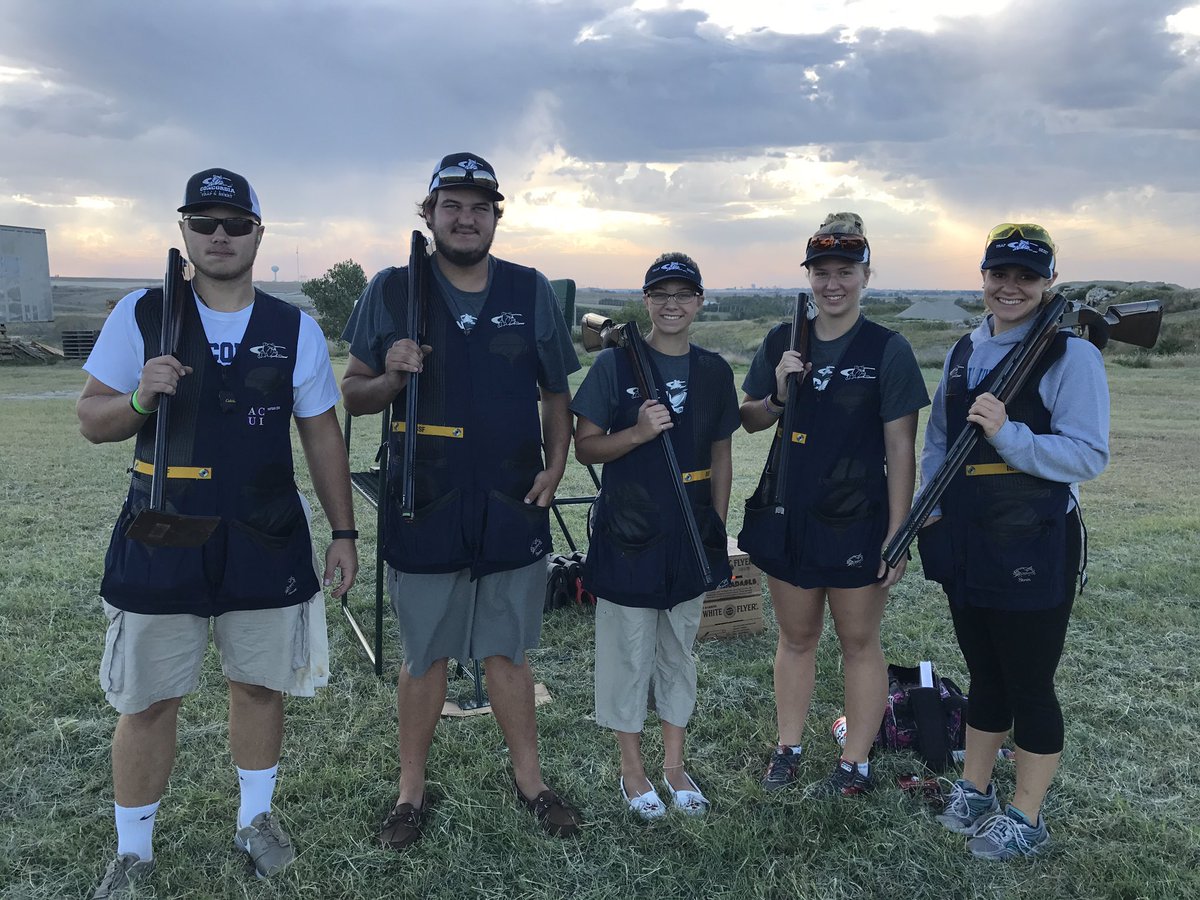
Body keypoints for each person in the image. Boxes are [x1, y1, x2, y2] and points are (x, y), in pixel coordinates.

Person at [77, 167, 358, 898]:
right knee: (148, 700)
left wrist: (345, 530)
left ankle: (255, 819)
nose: (220, 235)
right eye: (204, 223)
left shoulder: (292, 326)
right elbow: (93, 420)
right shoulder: (142, 315)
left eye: (235, 223)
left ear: (258, 234)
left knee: (260, 686)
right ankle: (132, 852)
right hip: (162, 533)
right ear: (184, 234)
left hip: (265, 534)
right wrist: (143, 394)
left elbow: (322, 436)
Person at [340, 152, 582, 849]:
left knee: (507, 652)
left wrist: (557, 463)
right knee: (426, 657)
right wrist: (388, 377)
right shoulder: (391, 291)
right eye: (452, 205)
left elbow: (556, 392)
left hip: (512, 495)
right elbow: (351, 393)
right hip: (427, 495)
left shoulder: (529, 291)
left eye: (480, 206)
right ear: (429, 213)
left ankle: (531, 783)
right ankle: (410, 792)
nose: (466, 218)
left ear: (495, 217)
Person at [919, 223, 1109, 859]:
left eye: (1026, 277)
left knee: (1030, 681)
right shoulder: (962, 352)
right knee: (983, 670)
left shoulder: (1070, 355)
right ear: (983, 277)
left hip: (1037, 539)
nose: (1011, 287)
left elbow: (1088, 454)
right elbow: (940, 445)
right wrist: (930, 508)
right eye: (999, 274)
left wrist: (1010, 436)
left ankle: (1026, 816)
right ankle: (975, 787)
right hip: (968, 536)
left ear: (1048, 282)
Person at [738, 212, 929, 796]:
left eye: (844, 271)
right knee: (795, 638)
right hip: (788, 512)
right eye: (821, 272)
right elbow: (747, 419)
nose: (832, 283)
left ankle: (855, 764)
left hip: (857, 519)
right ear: (809, 277)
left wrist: (899, 534)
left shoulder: (887, 349)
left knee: (858, 642)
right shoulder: (782, 338)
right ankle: (787, 749)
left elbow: (902, 449)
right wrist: (776, 388)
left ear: (865, 275)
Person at [572, 253, 738, 820]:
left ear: (698, 301)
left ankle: (673, 764)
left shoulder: (714, 370)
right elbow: (586, 446)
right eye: (660, 293)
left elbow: (721, 454)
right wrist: (639, 433)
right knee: (627, 653)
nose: (672, 304)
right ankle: (632, 771)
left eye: (683, 294)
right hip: (630, 527)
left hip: (690, 528)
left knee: (678, 650)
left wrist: (714, 525)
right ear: (646, 300)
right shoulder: (615, 367)